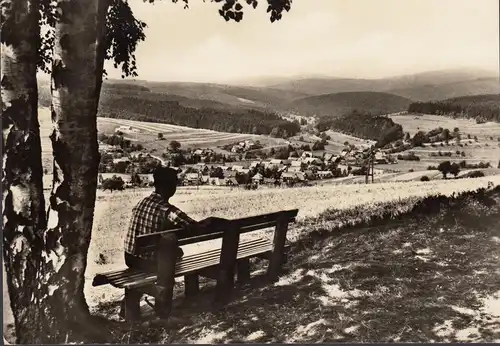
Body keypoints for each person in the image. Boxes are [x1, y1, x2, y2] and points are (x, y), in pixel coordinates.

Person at [123, 166, 195, 272]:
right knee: (176, 253)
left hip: (130, 258)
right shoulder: (168, 211)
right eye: (174, 184)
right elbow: (194, 227)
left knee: (174, 250)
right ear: (169, 186)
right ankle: (167, 286)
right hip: (149, 262)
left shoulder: (142, 202)